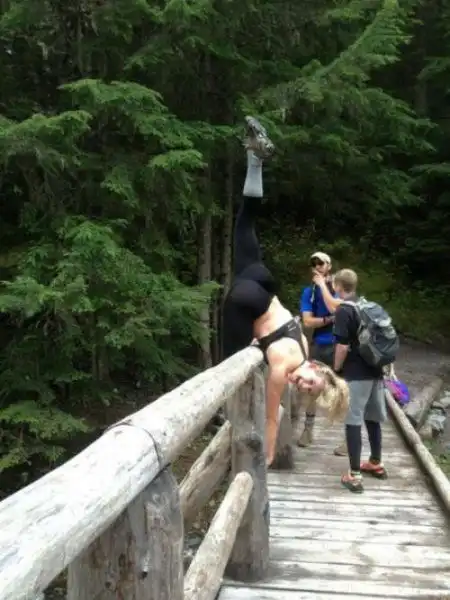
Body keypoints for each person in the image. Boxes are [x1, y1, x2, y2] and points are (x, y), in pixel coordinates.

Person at [222, 116, 349, 466]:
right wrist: (268, 454)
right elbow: (271, 417)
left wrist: (257, 341)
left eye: (306, 391)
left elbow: (283, 324)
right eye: (309, 384)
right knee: (227, 369)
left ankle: (255, 159)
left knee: (245, 223)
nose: (301, 386)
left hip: (263, 283)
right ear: (317, 369)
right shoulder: (282, 367)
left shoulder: (304, 347)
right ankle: (223, 416)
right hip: (249, 300)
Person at [331, 269, 388, 493]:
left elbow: (342, 346)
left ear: (338, 286)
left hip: (357, 373)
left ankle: (354, 476)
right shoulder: (367, 306)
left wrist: (336, 369)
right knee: (372, 418)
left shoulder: (344, 310)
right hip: (376, 370)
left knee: (353, 419)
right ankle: (376, 463)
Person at [298, 251, 337, 447]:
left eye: (321, 263)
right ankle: (308, 429)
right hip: (320, 343)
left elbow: (338, 309)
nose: (317, 267)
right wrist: (328, 320)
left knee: (345, 389)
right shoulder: (309, 292)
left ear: (329, 266)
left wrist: (324, 287)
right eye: (314, 264)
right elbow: (307, 321)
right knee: (312, 386)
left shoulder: (339, 287)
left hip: (342, 344)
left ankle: (349, 437)